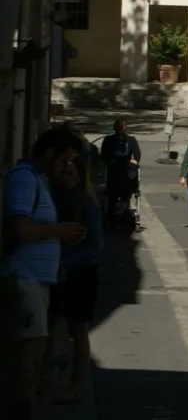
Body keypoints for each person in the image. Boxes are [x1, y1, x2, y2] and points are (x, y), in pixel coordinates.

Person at [5, 127, 87, 420]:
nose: (66, 166)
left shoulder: (40, 181)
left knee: (34, 359)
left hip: (38, 280)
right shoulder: (25, 178)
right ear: (49, 154)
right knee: (27, 361)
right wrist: (59, 231)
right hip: (25, 278)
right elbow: (20, 227)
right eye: (64, 159)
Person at [50, 153, 103, 404]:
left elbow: (96, 247)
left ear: (81, 177)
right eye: (63, 172)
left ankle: (75, 385)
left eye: (70, 173)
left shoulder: (87, 204)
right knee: (48, 327)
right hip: (56, 271)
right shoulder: (56, 196)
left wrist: (67, 264)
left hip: (80, 274)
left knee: (78, 330)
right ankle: (44, 379)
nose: (65, 177)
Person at [100, 117, 142, 231]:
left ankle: (122, 219)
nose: (121, 130)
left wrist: (134, 161)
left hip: (126, 173)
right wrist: (110, 161)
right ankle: (113, 220)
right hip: (113, 172)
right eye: (119, 127)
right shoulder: (108, 140)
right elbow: (104, 154)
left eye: (123, 127)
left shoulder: (131, 140)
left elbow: (137, 153)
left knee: (125, 197)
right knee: (112, 197)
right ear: (115, 128)